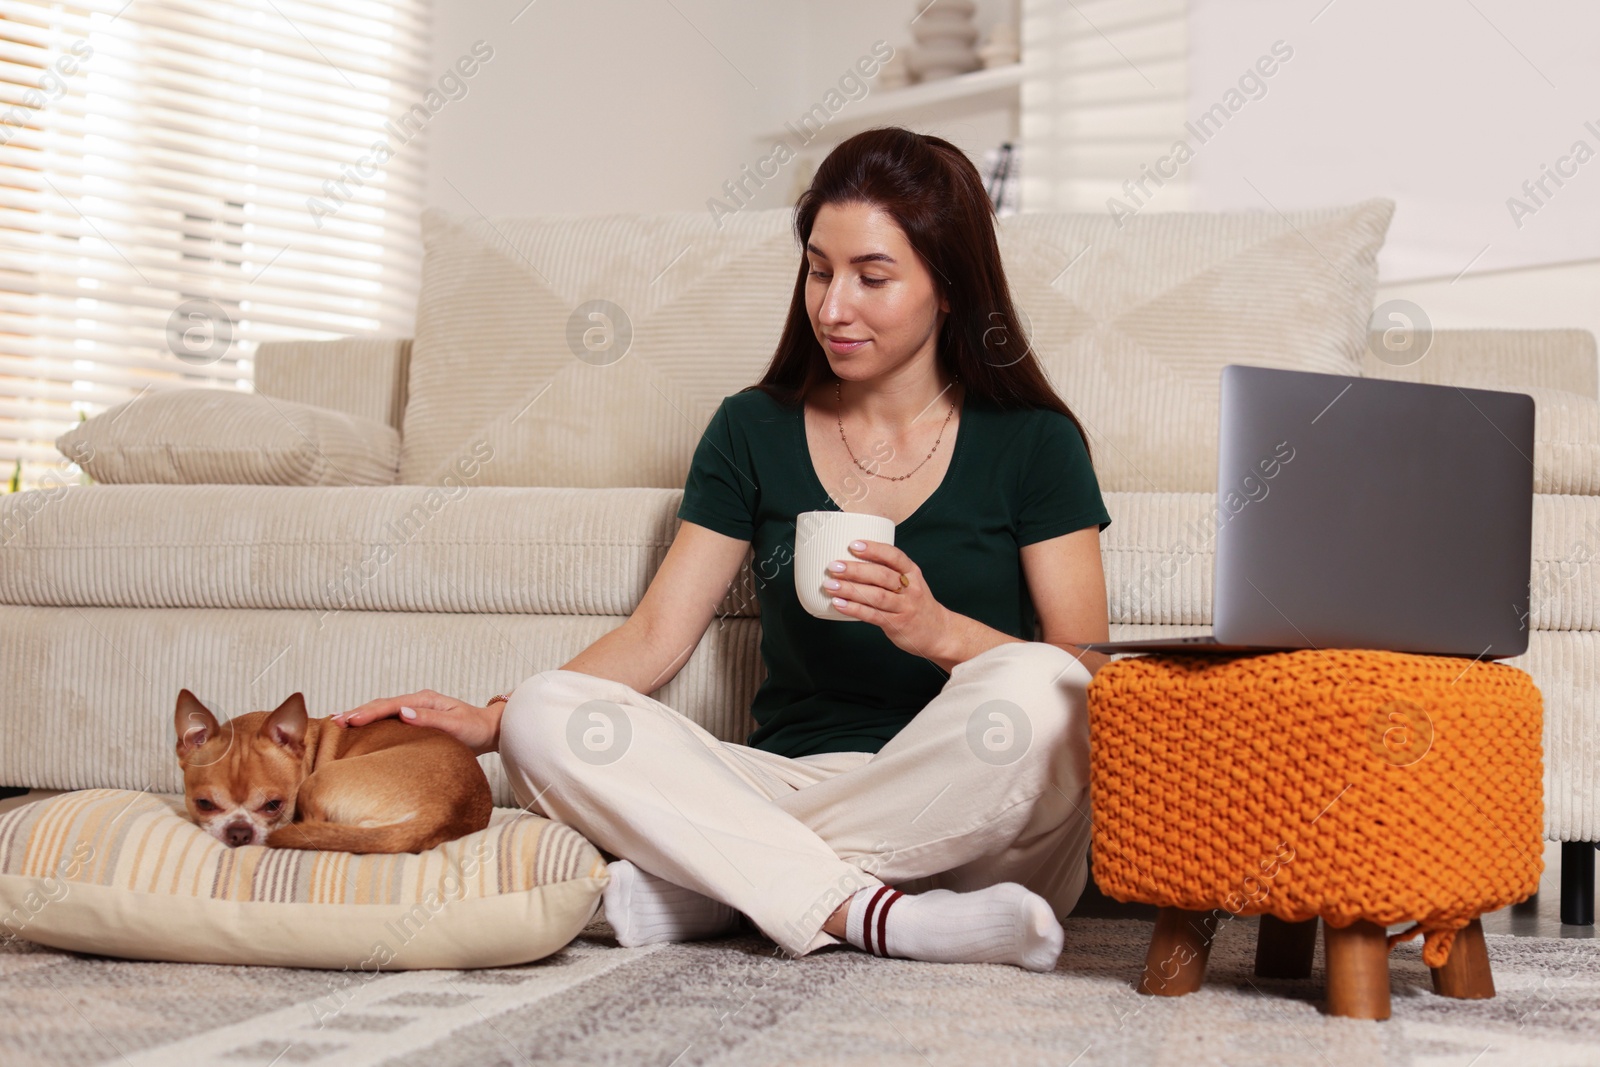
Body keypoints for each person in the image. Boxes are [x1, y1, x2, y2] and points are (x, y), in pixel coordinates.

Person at [334, 127, 1114, 972]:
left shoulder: (1034, 442)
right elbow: (656, 635)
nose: (832, 307)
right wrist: (496, 718)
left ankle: (720, 885)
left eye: (872, 277)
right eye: (818, 269)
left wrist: (940, 632)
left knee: (1053, 688)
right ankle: (887, 916)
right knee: (547, 713)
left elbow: (1092, 668)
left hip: (980, 819)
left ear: (952, 287)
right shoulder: (753, 428)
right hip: (786, 780)